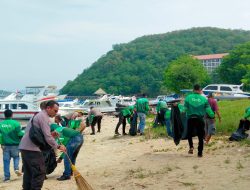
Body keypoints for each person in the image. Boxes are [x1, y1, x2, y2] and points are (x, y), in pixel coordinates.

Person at [19, 100, 66, 190]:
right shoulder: (44, 117)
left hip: (25, 147)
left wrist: (52, 134)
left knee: (29, 173)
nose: (56, 113)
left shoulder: (37, 116)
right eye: (55, 111)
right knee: (40, 172)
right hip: (32, 149)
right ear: (48, 108)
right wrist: (58, 146)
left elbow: (39, 135)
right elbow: (47, 137)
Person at [184, 84, 214, 157]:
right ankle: (200, 153)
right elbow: (209, 110)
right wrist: (212, 116)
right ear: (200, 89)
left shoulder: (188, 98)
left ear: (193, 89)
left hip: (190, 119)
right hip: (200, 119)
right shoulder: (204, 99)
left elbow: (184, 109)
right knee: (201, 136)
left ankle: (191, 146)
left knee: (189, 134)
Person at [0, 109, 24, 182]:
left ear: (4, 115)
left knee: (6, 161)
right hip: (15, 145)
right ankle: (16, 168)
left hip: (5, 145)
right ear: (12, 115)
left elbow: (0, 135)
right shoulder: (16, 123)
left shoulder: (1, 124)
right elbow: (19, 134)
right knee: (16, 157)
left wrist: (2, 143)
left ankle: (7, 178)